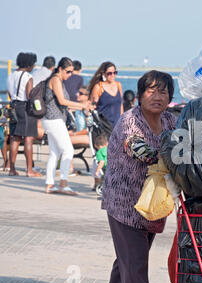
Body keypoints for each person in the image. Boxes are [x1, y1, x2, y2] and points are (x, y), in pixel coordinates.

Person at [102, 70, 177, 283]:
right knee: (135, 268)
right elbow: (138, 148)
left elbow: (186, 141)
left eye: (163, 91)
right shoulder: (130, 120)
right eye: (151, 90)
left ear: (170, 97)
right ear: (140, 96)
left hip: (152, 207)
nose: (157, 96)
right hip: (125, 206)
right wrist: (173, 158)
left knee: (126, 265)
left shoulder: (170, 120)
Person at [42, 57, 93, 195]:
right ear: (60, 69)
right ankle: (63, 185)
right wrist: (82, 105)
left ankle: (50, 184)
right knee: (68, 150)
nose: (70, 75)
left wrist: (79, 106)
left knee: (54, 153)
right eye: (68, 71)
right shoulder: (56, 80)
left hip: (50, 119)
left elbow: (63, 102)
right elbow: (62, 101)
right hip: (54, 120)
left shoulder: (58, 80)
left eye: (72, 71)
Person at [6, 52, 41, 177]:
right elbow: (29, 95)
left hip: (14, 107)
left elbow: (9, 93)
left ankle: (12, 168)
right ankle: (29, 170)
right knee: (28, 138)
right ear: (29, 65)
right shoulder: (27, 77)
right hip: (25, 108)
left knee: (15, 138)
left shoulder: (11, 75)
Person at [88, 61, 123, 128]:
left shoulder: (118, 85)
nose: (113, 75)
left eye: (115, 73)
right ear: (103, 74)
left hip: (117, 125)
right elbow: (91, 106)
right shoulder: (98, 87)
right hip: (103, 126)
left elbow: (120, 104)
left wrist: (122, 120)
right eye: (109, 73)